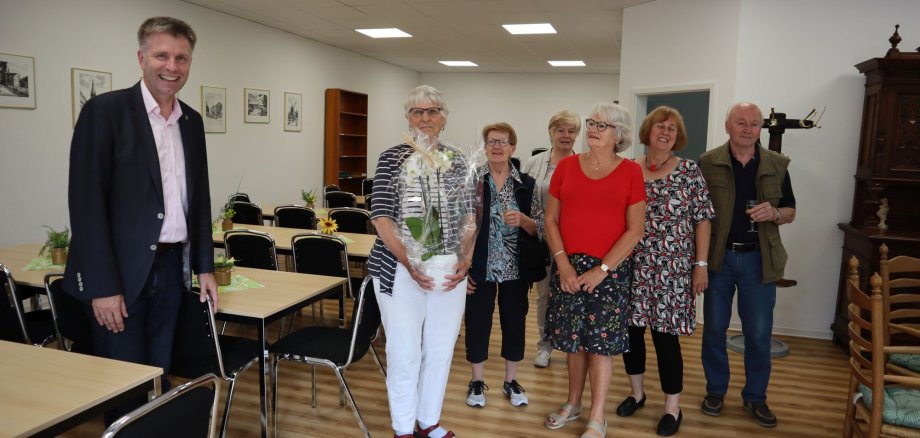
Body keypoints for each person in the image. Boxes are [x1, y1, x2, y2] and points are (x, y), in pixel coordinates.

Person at [63, 16, 218, 418]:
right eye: (162, 55)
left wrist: (205, 267)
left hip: (169, 268)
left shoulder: (192, 122)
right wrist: (101, 286)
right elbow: (86, 205)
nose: (172, 66)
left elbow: (198, 199)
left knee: (159, 372)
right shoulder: (105, 112)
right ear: (141, 57)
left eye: (182, 58)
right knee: (123, 383)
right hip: (118, 274)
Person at [369, 85, 477, 438]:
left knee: (441, 348)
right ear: (408, 118)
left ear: (443, 118)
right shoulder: (391, 158)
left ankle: (428, 419)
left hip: (448, 268)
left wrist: (467, 258)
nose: (425, 118)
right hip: (398, 269)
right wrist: (410, 262)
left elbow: (469, 215)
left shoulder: (460, 160)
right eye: (418, 112)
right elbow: (382, 217)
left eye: (432, 112)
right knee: (404, 352)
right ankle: (403, 427)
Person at [543, 102, 646, 438]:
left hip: (610, 270)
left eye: (602, 126)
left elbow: (635, 230)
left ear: (619, 135)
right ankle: (573, 404)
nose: (593, 130)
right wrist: (562, 264)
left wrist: (602, 269)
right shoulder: (567, 166)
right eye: (591, 123)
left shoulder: (631, 171)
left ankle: (597, 416)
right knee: (574, 343)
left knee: (600, 346)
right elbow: (551, 219)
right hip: (569, 267)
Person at [615, 106, 714, 436]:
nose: (666, 131)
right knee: (632, 335)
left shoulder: (689, 171)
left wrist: (700, 265)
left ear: (678, 136)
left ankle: (673, 407)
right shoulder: (628, 169)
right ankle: (637, 393)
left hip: (672, 271)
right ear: (648, 130)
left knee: (665, 340)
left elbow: (703, 220)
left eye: (673, 128)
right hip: (631, 266)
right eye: (661, 125)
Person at [699, 102, 796, 428]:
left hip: (759, 259)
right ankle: (715, 391)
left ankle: (755, 397)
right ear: (728, 126)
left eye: (754, 123)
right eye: (741, 122)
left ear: (760, 129)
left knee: (758, 334)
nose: (747, 128)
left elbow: (791, 211)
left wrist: (776, 214)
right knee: (713, 329)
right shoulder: (708, 162)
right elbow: (698, 215)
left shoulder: (777, 164)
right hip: (719, 259)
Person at [465, 122, 544, 409]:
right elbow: (458, 228)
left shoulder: (526, 184)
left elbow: (541, 229)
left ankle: (511, 381)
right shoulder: (472, 180)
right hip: (479, 269)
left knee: (514, 324)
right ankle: (476, 381)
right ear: (484, 147)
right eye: (491, 141)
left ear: (513, 147)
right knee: (477, 324)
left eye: (503, 141)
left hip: (515, 269)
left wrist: (524, 221)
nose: (497, 146)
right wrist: (463, 268)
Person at [521, 109, 581, 369]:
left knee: (571, 296)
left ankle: (571, 345)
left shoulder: (584, 164)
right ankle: (544, 346)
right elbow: (523, 198)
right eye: (560, 130)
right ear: (551, 133)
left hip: (574, 241)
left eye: (571, 131)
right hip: (541, 240)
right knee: (544, 295)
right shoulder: (534, 163)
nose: (565, 136)